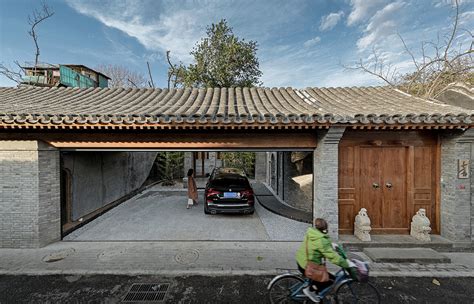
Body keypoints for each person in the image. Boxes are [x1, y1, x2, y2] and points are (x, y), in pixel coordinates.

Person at [295, 218, 353, 303]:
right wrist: (346, 263)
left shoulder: (312, 232)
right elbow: (333, 257)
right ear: (325, 229)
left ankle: (315, 293)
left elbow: (320, 243)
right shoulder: (321, 240)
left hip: (301, 260)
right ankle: (310, 291)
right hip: (308, 266)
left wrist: (331, 245)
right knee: (330, 279)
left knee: (318, 283)